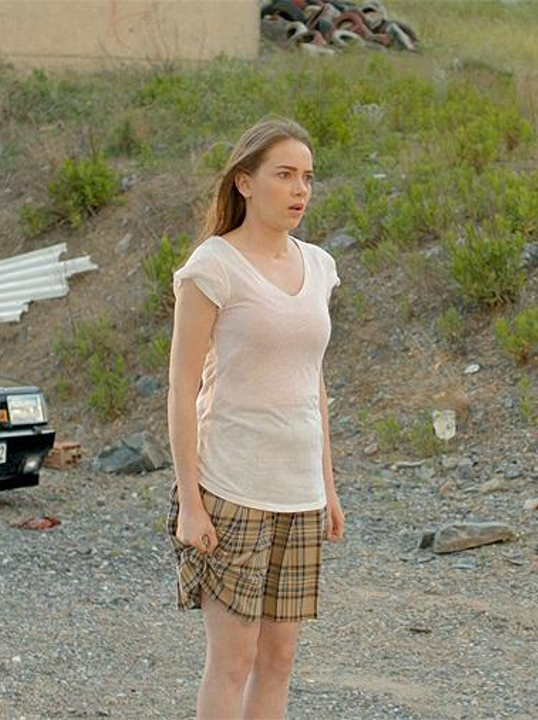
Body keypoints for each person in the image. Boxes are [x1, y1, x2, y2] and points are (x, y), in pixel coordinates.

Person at [166, 117, 346, 719]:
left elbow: (312, 384)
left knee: (279, 660)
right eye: (285, 175)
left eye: (308, 178)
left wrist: (328, 487)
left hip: (299, 493)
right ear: (245, 182)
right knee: (233, 661)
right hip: (231, 488)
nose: (300, 190)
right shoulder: (213, 266)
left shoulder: (319, 266)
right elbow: (182, 388)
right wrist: (190, 503)